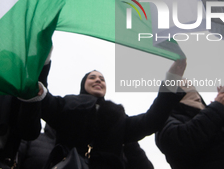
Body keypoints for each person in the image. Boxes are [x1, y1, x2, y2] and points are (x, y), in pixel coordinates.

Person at [38, 59, 187, 169]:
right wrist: (43, 60)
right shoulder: (67, 103)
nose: (98, 80)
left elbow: (151, 121)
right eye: (92, 77)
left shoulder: (118, 116)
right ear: (83, 84)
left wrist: (171, 80)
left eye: (102, 79)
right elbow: (42, 98)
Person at [155, 84, 224, 169]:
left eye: (191, 86)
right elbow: (179, 143)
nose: (191, 90)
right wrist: (217, 108)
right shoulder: (164, 120)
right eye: (184, 86)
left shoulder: (213, 116)